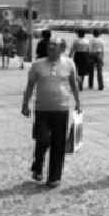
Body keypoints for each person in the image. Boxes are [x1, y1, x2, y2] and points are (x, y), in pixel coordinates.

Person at [20, 38, 81, 188]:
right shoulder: (38, 65)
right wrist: (25, 104)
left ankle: (54, 177)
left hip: (61, 109)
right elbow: (30, 85)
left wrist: (78, 102)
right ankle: (38, 164)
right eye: (49, 46)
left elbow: (74, 84)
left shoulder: (69, 63)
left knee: (58, 144)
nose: (51, 48)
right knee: (43, 139)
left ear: (62, 49)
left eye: (54, 46)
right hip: (42, 109)